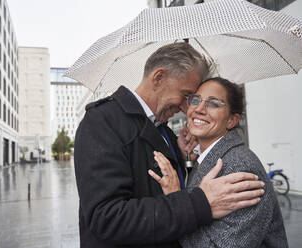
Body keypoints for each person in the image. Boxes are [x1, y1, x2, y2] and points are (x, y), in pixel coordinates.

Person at [74, 42, 265, 248]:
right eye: (186, 96)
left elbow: (161, 187)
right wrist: (200, 203)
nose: (186, 108)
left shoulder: (161, 128)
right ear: (158, 78)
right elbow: (107, 218)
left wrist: (183, 159)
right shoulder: (102, 121)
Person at [151, 77, 288, 247]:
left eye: (213, 103)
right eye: (195, 100)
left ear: (232, 120)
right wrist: (187, 160)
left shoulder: (239, 168)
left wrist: (176, 200)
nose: (199, 109)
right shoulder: (208, 157)